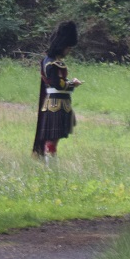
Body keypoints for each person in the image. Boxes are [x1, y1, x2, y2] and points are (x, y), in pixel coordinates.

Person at [32, 21, 82, 158]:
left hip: (54, 101)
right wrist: (72, 84)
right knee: (53, 137)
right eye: (68, 48)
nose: (69, 51)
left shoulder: (47, 60)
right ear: (62, 46)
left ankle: (48, 160)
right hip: (57, 103)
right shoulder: (54, 64)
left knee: (54, 136)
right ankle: (50, 163)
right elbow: (58, 84)